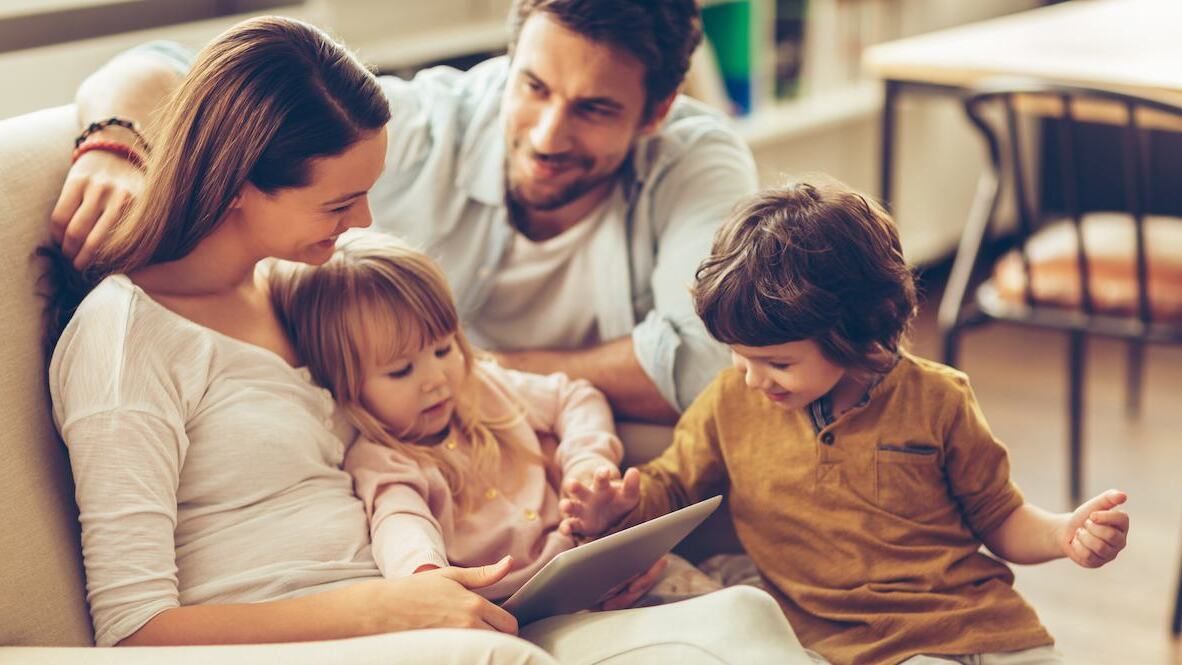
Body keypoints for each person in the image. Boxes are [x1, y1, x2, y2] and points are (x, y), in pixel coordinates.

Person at [45, 14, 812, 665]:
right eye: (341, 203)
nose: (365, 222)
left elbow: (425, 448)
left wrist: (570, 546)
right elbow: (133, 627)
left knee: (741, 615)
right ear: (241, 182)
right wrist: (388, 609)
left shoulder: (299, 294)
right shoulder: (126, 340)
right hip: (339, 632)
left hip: (434, 604)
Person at [49, 0, 758, 424]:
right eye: (533, 87)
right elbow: (167, 66)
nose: (548, 136)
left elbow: (707, 363)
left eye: (594, 109)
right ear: (508, 58)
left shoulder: (694, 159)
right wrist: (113, 142)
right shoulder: (418, 127)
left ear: (656, 111)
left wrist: (444, 368)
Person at [559, 180, 1132, 665]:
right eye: (738, 355)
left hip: (974, 621)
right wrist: (619, 508)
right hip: (841, 642)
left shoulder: (939, 399)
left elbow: (1000, 517)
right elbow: (672, 486)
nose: (752, 378)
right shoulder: (729, 400)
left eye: (778, 363)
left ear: (857, 332)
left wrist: (1062, 534)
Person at [268, 231, 625, 600]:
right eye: (401, 371)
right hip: (512, 602)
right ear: (346, 388)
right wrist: (424, 571)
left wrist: (586, 462)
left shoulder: (483, 387)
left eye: (443, 349)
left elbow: (575, 396)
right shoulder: (384, 461)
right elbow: (400, 522)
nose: (436, 379)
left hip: (585, 563)